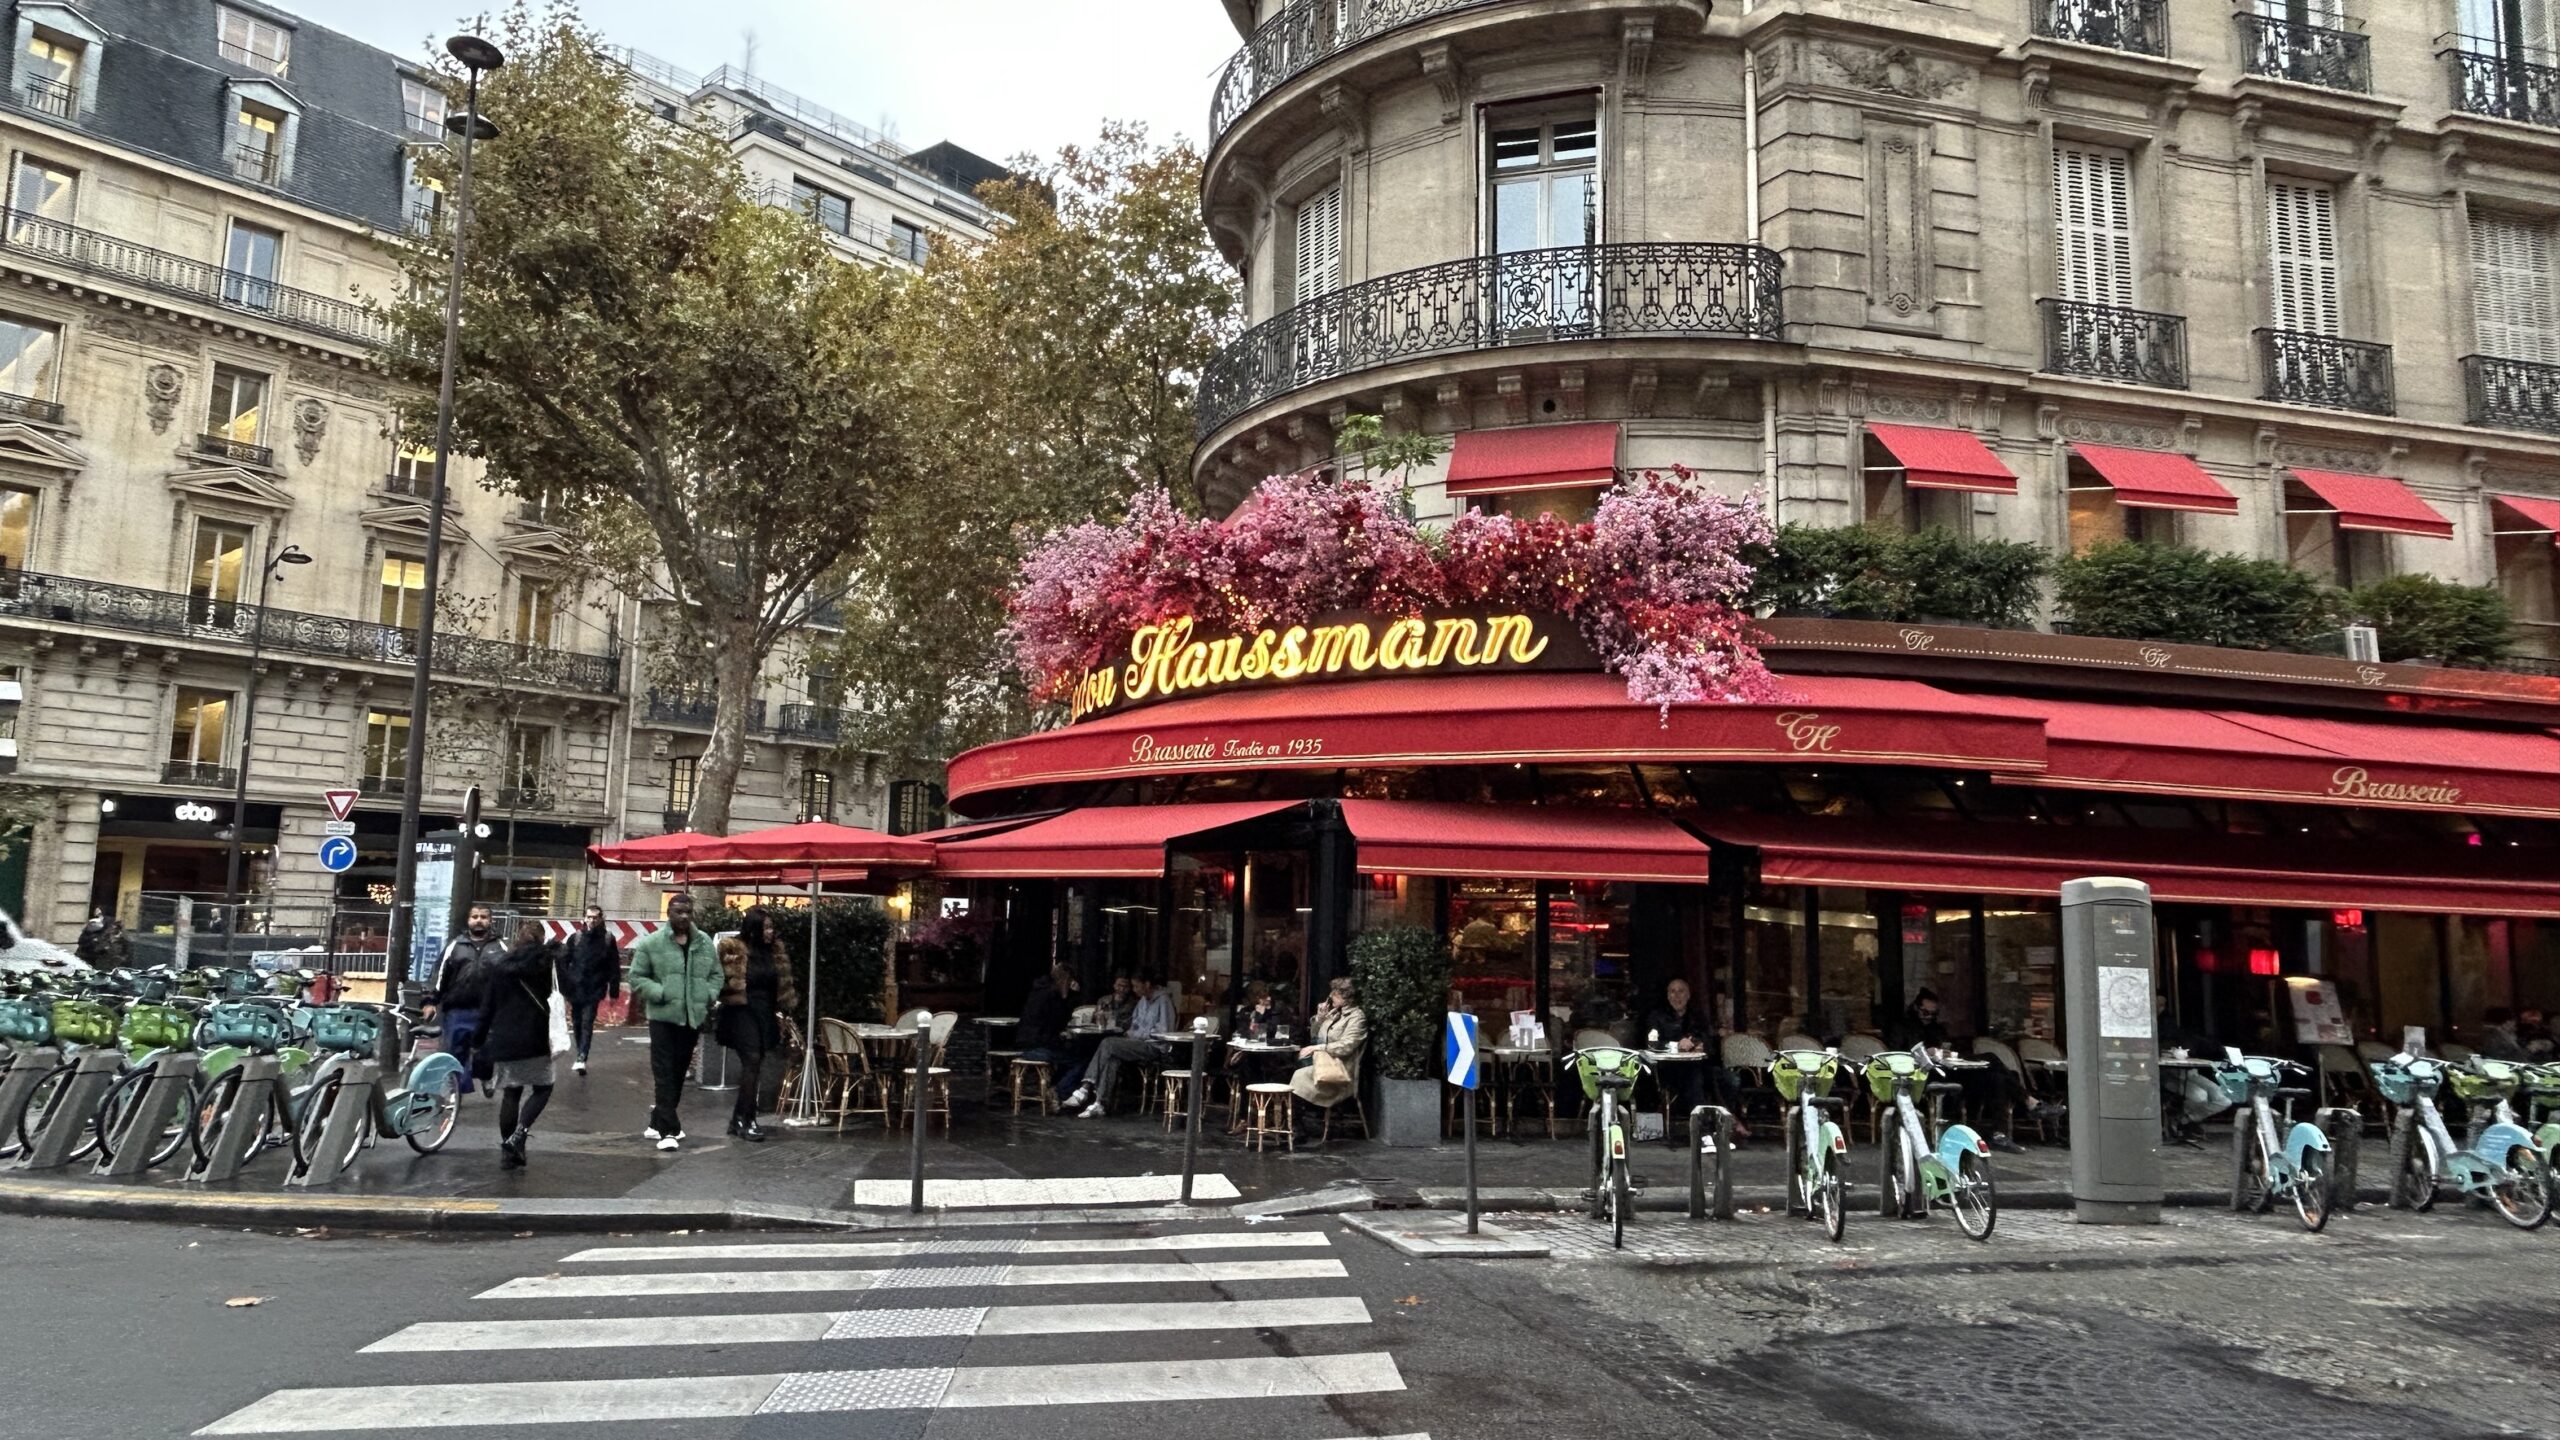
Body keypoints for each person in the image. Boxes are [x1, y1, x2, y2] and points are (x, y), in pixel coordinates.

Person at [624, 894, 722, 1151]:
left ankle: (657, 1122)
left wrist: (708, 994)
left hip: (692, 1017)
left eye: (688, 911)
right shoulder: (652, 943)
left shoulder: (703, 943)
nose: (684, 916)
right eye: (679, 911)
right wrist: (660, 993)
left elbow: (716, 974)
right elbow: (636, 977)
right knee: (664, 1071)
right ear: (669, 912)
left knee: (678, 1072)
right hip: (663, 1018)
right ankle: (670, 1130)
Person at [1887, 988, 2032, 1154]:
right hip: (1923, 1075)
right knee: (1991, 1059)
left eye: (1933, 1014)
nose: (1928, 1017)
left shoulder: (1937, 1029)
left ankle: (1998, 1133)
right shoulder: (1901, 1027)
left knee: (1997, 1076)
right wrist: (1924, 1054)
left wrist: (1946, 1052)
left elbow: (1946, 1047)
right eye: (1925, 1012)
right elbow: (1895, 1054)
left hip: (1948, 1070)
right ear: (1915, 1008)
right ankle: (2029, 1101)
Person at [478, 921, 561, 1168]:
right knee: (543, 1087)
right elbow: (555, 991)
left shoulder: (501, 966)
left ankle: (508, 1150)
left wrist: (479, 1039)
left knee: (511, 1093)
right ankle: (519, 1136)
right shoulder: (545, 963)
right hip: (534, 1036)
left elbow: (488, 1005)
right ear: (540, 939)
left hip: (505, 1037)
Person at [716, 906, 800, 1142]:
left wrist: (784, 1009)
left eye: (772, 927)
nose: (771, 932)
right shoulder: (733, 949)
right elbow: (721, 981)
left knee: (755, 1063)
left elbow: (782, 986)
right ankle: (747, 1119)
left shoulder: (775, 952)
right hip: (741, 1011)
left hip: (765, 1012)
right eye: (766, 927)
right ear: (753, 928)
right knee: (752, 1060)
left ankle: (738, 1119)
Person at [1639, 977, 1745, 1142]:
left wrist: (1694, 1043)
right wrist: (1676, 1045)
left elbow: (1708, 1041)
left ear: (1688, 995)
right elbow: (1652, 1043)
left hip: (1700, 1067)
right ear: (1667, 996)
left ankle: (1719, 1125)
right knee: (1696, 1079)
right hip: (1669, 1070)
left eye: (1681, 991)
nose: (1677, 996)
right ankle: (1709, 1130)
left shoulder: (1697, 1016)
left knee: (1731, 1079)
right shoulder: (1657, 1016)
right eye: (1672, 992)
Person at [1069, 973, 1176, 1117]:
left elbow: (1164, 1031)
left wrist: (1135, 1034)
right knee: (1111, 1058)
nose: (1134, 989)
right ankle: (1100, 1103)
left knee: (1108, 1043)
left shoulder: (1164, 1002)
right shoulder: (1143, 1001)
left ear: (1147, 984)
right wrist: (1130, 1033)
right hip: (1137, 1043)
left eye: (1136, 986)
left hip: (1154, 1046)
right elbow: (1135, 1024)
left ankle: (1085, 1088)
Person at [426, 904, 507, 1096]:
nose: (479, 920)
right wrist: (430, 1001)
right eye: (475, 916)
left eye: (483, 917)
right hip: (457, 1009)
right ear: (468, 920)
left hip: (489, 1011)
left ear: (490, 920)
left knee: (486, 1052)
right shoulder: (455, 946)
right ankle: (456, 1093)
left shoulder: (501, 947)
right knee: (455, 1052)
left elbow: (510, 977)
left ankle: (486, 1077)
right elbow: (438, 976)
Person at [1291, 976, 1368, 1139]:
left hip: (1339, 1070)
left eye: (1334, 993)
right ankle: (1291, 1121)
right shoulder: (1334, 1013)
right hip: (1322, 1064)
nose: (1330, 996)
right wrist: (1320, 1018)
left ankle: (1296, 1126)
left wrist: (1318, 1048)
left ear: (1345, 996)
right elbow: (1315, 1036)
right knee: (1289, 1067)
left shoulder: (1357, 1017)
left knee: (1299, 1075)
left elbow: (1346, 1046)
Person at [557, 905, 621, 1076]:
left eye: (595, 917)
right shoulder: (576, 938)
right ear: (584, 918)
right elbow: (564, 961)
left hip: (595, 987)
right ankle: (580, 1052)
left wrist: (614, 991)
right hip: (575, 987)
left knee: (587, 1022)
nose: (592, 921)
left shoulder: (607, 939)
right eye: (589, 917)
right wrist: (564, 987)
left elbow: (614, 966)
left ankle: (582, 1057)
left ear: (601, 919)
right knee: (577, 1022)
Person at [1014, 964, 1088, 1097]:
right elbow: (1059, 1022)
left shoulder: (1038, 991)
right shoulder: (1051, 996)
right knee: (1080, 1062)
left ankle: (1054, 1088)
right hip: (1038, 1046)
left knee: (1069, 1056)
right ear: (1065, 980)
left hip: (1027, 1042)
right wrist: (1067, 997)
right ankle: (1057, 1092)